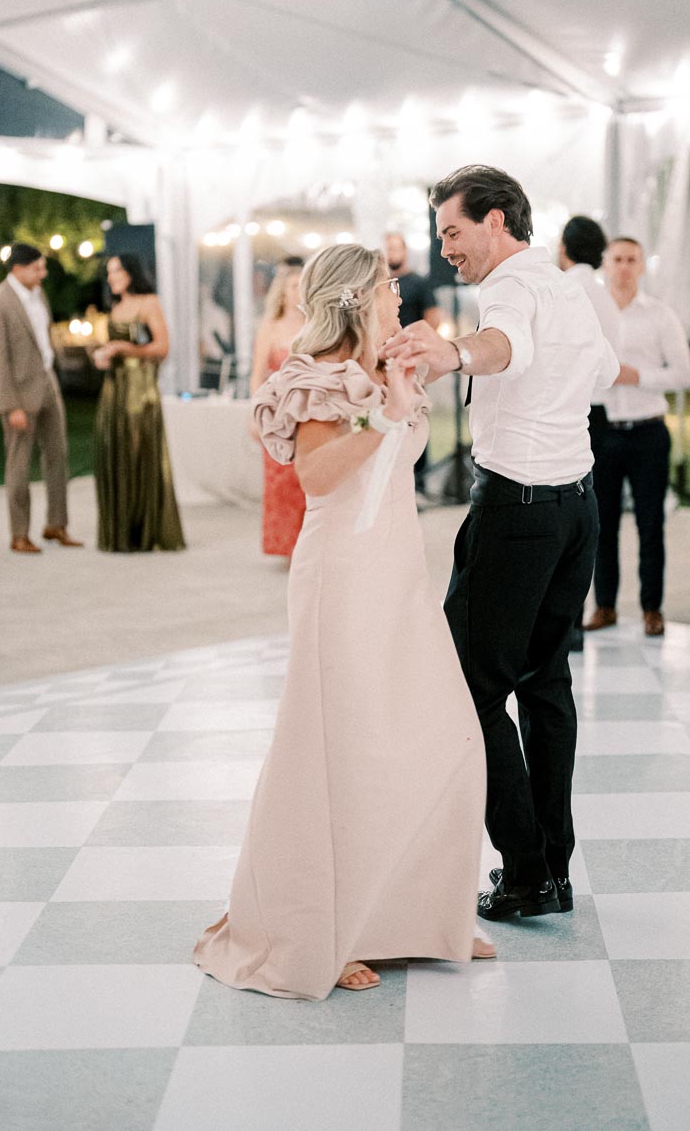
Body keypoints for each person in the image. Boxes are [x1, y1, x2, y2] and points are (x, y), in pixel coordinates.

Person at [194, 244, 491, 999]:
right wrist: (382, 414)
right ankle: (326, 930)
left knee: (434, 734)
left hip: (397, 574)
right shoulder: (311, 379)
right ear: (356, 299)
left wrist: (396, 387)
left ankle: (416, 914)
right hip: (342, 576)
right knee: (342, 750)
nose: (399, 297)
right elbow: (318, 476)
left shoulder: (383, 366)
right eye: (388, 288)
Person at [384, 164, 619, 923]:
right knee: (545, 684)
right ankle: (552, 865)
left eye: (453, 231)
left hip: (517, 513)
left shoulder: (512, 288)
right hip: (575, 508)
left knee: (469, 688)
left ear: (495, 221)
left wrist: (453, 354)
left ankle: (523, 871)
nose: (446, 248)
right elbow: (605, 371)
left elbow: (501, 345)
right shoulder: (567, 287)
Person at [584, 237, 690, 638]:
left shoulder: (660, 316)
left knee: (651, 524)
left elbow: (684, 375)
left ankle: (653, 608)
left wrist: (639, 377)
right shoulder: (590, 314)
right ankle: (605, 606)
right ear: (605, 265)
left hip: (648, 430)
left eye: (632, 260)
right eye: (618, 260)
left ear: (642, 266)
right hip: (602, 429)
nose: (625, 267)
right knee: (602, 524)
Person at [0, 243, 83, 554]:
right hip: (19, 393)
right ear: (18, 268)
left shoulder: (38, 295)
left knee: (58, 455)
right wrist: (11, 404)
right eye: (37, 267)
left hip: (47, 383)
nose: (43, 273)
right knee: (19, 465)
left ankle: (56, 524)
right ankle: (19, 533)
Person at [92, 255, 185, 553]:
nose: (112, 277)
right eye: (109, 272)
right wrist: (102, 355)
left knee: (137, 452)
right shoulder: (115, 308)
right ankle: (122, 532)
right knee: (114, 452)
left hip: (140, 391)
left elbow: (162, 347)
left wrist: (123, 348)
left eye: (117, 270)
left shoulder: (148, 303)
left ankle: (144, 531)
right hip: (114, 391)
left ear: (131, 272)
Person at [558, 214, 621, 649]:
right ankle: (575, 620)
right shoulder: (603, 293)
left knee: (563, 513)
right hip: (601, 409)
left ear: (564, 247)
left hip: (572, 410)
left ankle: (568, 623)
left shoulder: (565, 289)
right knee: (589, 515)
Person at [249, 261, 306, 559]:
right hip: (277, 414)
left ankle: (307, 544)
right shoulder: (269, 326)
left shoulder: (315, 324)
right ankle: (286, 547)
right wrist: (255, 416)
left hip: (308, 412)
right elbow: (257, 374)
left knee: (306, 478)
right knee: (280, 481)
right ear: (282, 293)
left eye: (302, 286)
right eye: (294, 286)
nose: (299, 292)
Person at [384, 232, 443, 496]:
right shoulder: (380, 284)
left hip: (411, 361)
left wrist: (415, 346)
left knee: (415, 414)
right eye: (388, 248)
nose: (392, 253)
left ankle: (419, 479)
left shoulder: (419, 284)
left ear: (404, 251)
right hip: (384, 361)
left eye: (396, 248)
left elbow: (434, 319)